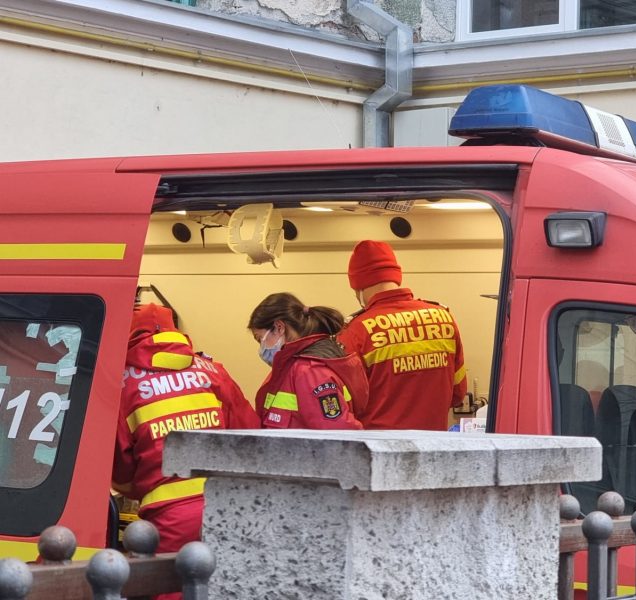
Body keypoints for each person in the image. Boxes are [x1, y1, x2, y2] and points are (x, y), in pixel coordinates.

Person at [113, 303, 259, 599]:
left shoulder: (123, 383)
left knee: (171, 590)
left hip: (169, 515)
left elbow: (120, 466)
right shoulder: (213, 371)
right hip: (224, 504)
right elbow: (249, 432)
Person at [337, 240, 467, 430]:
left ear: (359, 286)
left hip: (379, 451)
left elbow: (345, 406)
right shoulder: (443, 316)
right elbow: (458, 393)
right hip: (433, 447)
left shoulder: (356, 331)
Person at [249, 292, 366, 430]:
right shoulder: (292, 368)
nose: (261, 349)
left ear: (279, 327)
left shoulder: (310, 372)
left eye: (259, 339)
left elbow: (337, 436)